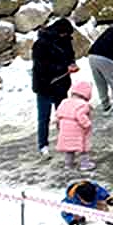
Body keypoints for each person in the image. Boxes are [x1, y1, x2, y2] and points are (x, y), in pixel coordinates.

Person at [33, 19, 77, 156]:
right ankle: (43, 145)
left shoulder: (66, 40)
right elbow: (41, 67)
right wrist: (64, 68)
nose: (66, 37)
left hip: (61, 84)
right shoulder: (40, 44)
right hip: (44, 85)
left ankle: (66, 142)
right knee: (43, 117)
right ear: (59, 32)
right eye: (64, 34)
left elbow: (70, 55)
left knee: (63, 116)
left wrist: (71, 63)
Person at [53, 81, 95, 171]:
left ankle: (68, 164)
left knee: (69, 148)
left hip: (64, 128)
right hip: (77, 130)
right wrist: (87, 124)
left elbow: (58, 114)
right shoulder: (83, 104)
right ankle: (85, 164)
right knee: (83, 147)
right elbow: (80, 115)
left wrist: (58, 124)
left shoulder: (64, 102)